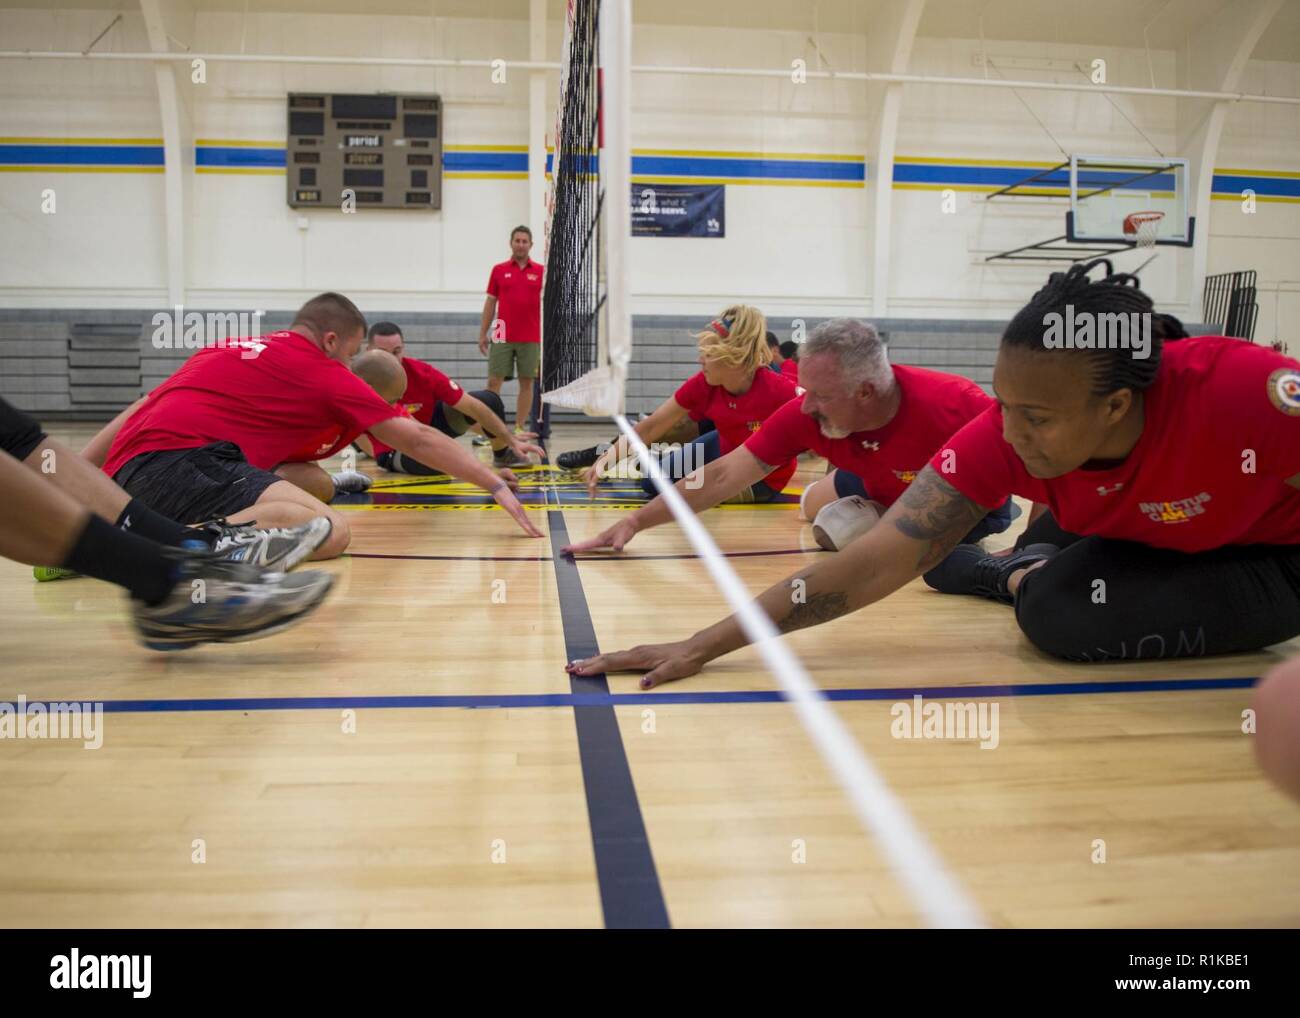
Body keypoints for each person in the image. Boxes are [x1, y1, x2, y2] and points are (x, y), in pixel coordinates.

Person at [566, 260, 1300, 687]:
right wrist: (704, 642)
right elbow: (870, 565)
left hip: (1274, 556)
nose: (1010, 433)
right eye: (1005, 405)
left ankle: (1019, 568)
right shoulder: (1000, 434)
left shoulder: (1246, 394)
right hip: (1153, 536)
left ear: (1116, 406)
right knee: (1043, 592)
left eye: (1036, 417)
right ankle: (1017, 568)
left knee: (1053, 604)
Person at [84, 292, 544, 558]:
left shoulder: (232, 346)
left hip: (133, 475)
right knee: (329, 530)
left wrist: (80, 478)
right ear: (330, 341)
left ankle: (118, 522)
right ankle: (161, 548)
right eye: (351, 349)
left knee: (315, 483)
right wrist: (492, 483)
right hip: (186, 466)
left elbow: (144, 403)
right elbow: (418, 436)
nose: (351, 361)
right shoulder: (326, 374)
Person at [562, 318, 1015, 554]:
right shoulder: (804, 412)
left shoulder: (957, 403)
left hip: (955, 494)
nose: (806, 405)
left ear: (866, 391)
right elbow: (721, 474)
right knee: (810, 506)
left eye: (820, 395)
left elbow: (1041, 464)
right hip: (876, 471)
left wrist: (1031, 549)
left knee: (839, 533)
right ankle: (877, 502)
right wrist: (635, 522)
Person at [1, 397, 334, 650]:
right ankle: (164, 578)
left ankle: (189, 549)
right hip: (154, 464)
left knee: (11, 430)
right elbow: (148, 400)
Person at [578, 305, 799, 503]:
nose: (700, 360)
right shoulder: (705, 384)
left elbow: (823, 427)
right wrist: (603, 462)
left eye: (709, 354)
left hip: (760, 478)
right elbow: (651, 426)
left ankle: (679, 466)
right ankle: (663, 461)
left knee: (685, 495)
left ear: (733, 358)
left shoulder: (780, 391)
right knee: (652, 483)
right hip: (723, 445)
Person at [363, 321, 534, 471]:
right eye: (383, 352)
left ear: (403, 349)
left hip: (430, 431)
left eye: (396, 351)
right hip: (397, 448)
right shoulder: (359, 384)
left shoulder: (422, 373)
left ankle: (503, 455)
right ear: (369, 350)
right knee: (435, 463)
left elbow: (472, 407)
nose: (391, 359)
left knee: (488, 400)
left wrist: (508, 438)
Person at [479, 226, 544, 434]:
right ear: (511, 243)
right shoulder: (499, 270)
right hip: (501, 330)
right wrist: (483, 333)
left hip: (531, 333)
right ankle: (491, 429)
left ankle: (518, 428)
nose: (521, 244)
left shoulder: (541, 271)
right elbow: (490, 302)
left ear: (531, 245)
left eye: (525, 241)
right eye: (517, 240)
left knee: (527, 382)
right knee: (493, 381)